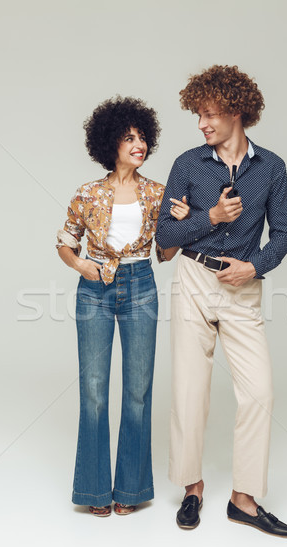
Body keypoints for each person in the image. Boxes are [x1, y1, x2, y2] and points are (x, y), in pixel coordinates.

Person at [156, 65, 287, 536]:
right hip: (193, 278)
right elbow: (164, 238)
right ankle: (191, 487)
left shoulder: (271, 168)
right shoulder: (187, 164)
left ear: (236, 111)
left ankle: (244, 499)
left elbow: (285, 233)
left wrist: (255, 266)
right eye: (198, 114)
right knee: (190, 392)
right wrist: (210, 217)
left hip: (242, 287)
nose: (202, 123)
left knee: (259, 391)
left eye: (210, 113)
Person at [56, 96, 189, 517]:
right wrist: (81, 266)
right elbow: (65, 241)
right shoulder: (88, 192)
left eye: (143, 137)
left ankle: (130, 490)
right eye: (130, 137)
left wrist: (181, 226)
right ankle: (95, 491)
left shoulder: (157, 193)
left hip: (140, 286)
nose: (139, 144)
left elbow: (164, 254)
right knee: (94, 392)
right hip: (94, 289)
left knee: (138, 391)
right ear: (109, 142)